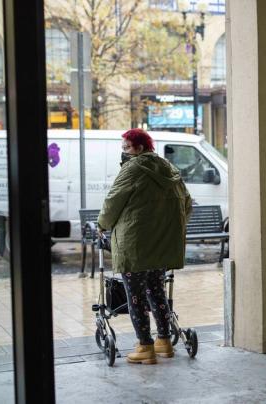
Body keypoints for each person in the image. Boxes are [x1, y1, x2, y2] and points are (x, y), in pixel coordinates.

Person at [97, 128, 192, 365]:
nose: (124, 153)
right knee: (157, 291)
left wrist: (102, 224)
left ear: (139, 148)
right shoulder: (169, 168)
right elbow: (187, 202)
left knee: (136, 297)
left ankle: (145, 347)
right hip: (162, 245)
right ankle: (164, 342)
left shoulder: (133, 168)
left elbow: (113, 200)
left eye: (127, 148)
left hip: (136, 245)